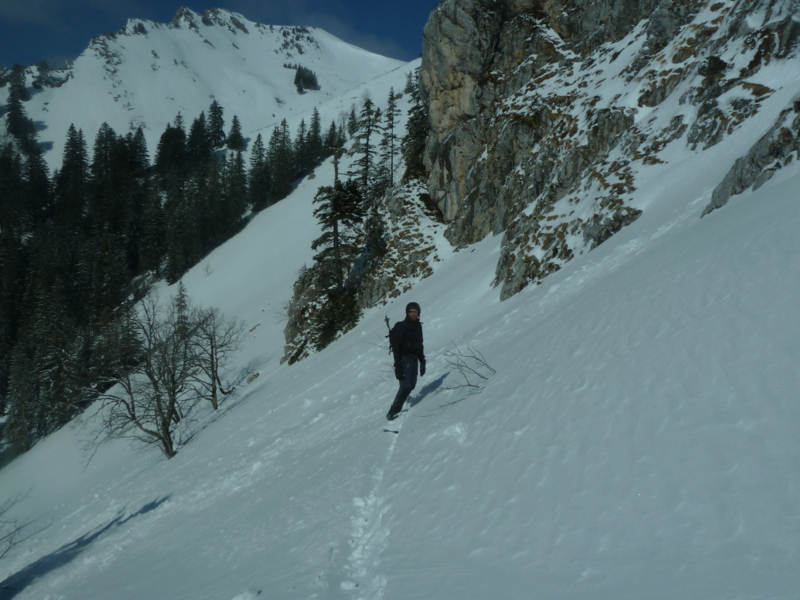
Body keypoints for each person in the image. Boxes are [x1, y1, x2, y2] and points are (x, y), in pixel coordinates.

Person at [387, 302, 426, 420]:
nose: (413, 314)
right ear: (407, 313)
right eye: (411, 311)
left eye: (415, 311)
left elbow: (420, 344)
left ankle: (398, 407)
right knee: (405, 386)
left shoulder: (418, 326)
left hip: (414, 358)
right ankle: (393, 412)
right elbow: (396, 347)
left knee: (412, 385)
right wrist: (397, 365)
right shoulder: (402, 326)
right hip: (404, 358)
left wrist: (422, 361)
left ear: (419, 313)